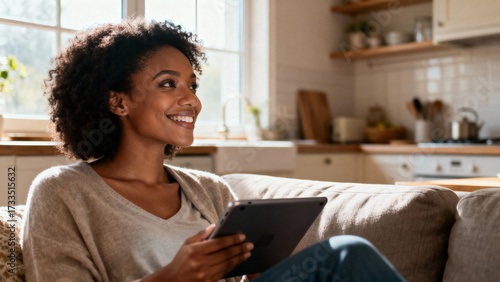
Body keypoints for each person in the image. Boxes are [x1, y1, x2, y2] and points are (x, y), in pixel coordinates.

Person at [21, 18, 406, 282]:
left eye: (193, 85)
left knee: (344, 254)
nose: (192, 101)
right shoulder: (61, 192)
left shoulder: (211, 190)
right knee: (346, 251)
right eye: (169, 84)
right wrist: (173, 277)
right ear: (118, 102)